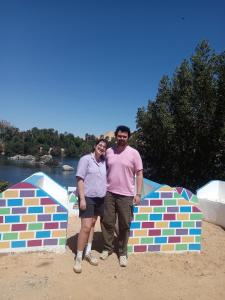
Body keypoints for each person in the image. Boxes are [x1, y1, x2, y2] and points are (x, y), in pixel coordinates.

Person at [100, 125, 143, 267]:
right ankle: (107, 248)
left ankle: (123, 253)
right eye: (119, 136)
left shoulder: (134, 153)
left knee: (125, 224)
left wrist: (138, 193)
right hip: (109, 193)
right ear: (116, 136)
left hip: (126, 195)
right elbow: (101, 169)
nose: (122, 139)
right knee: (107, 222)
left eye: (124, 137)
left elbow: (139, 173)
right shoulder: (109, 152)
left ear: (128, 138)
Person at [73, 139, 107, 273]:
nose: (102, 148)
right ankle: (78, 258)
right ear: (95, 146)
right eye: (100, 145)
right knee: (86, 227)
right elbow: (80, 179)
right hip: (87, 197)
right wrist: (82, 199)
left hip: (100, 198)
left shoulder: (104, 162)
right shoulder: (86, 159)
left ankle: (88, 252)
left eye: (104, 146)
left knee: (93, 224)